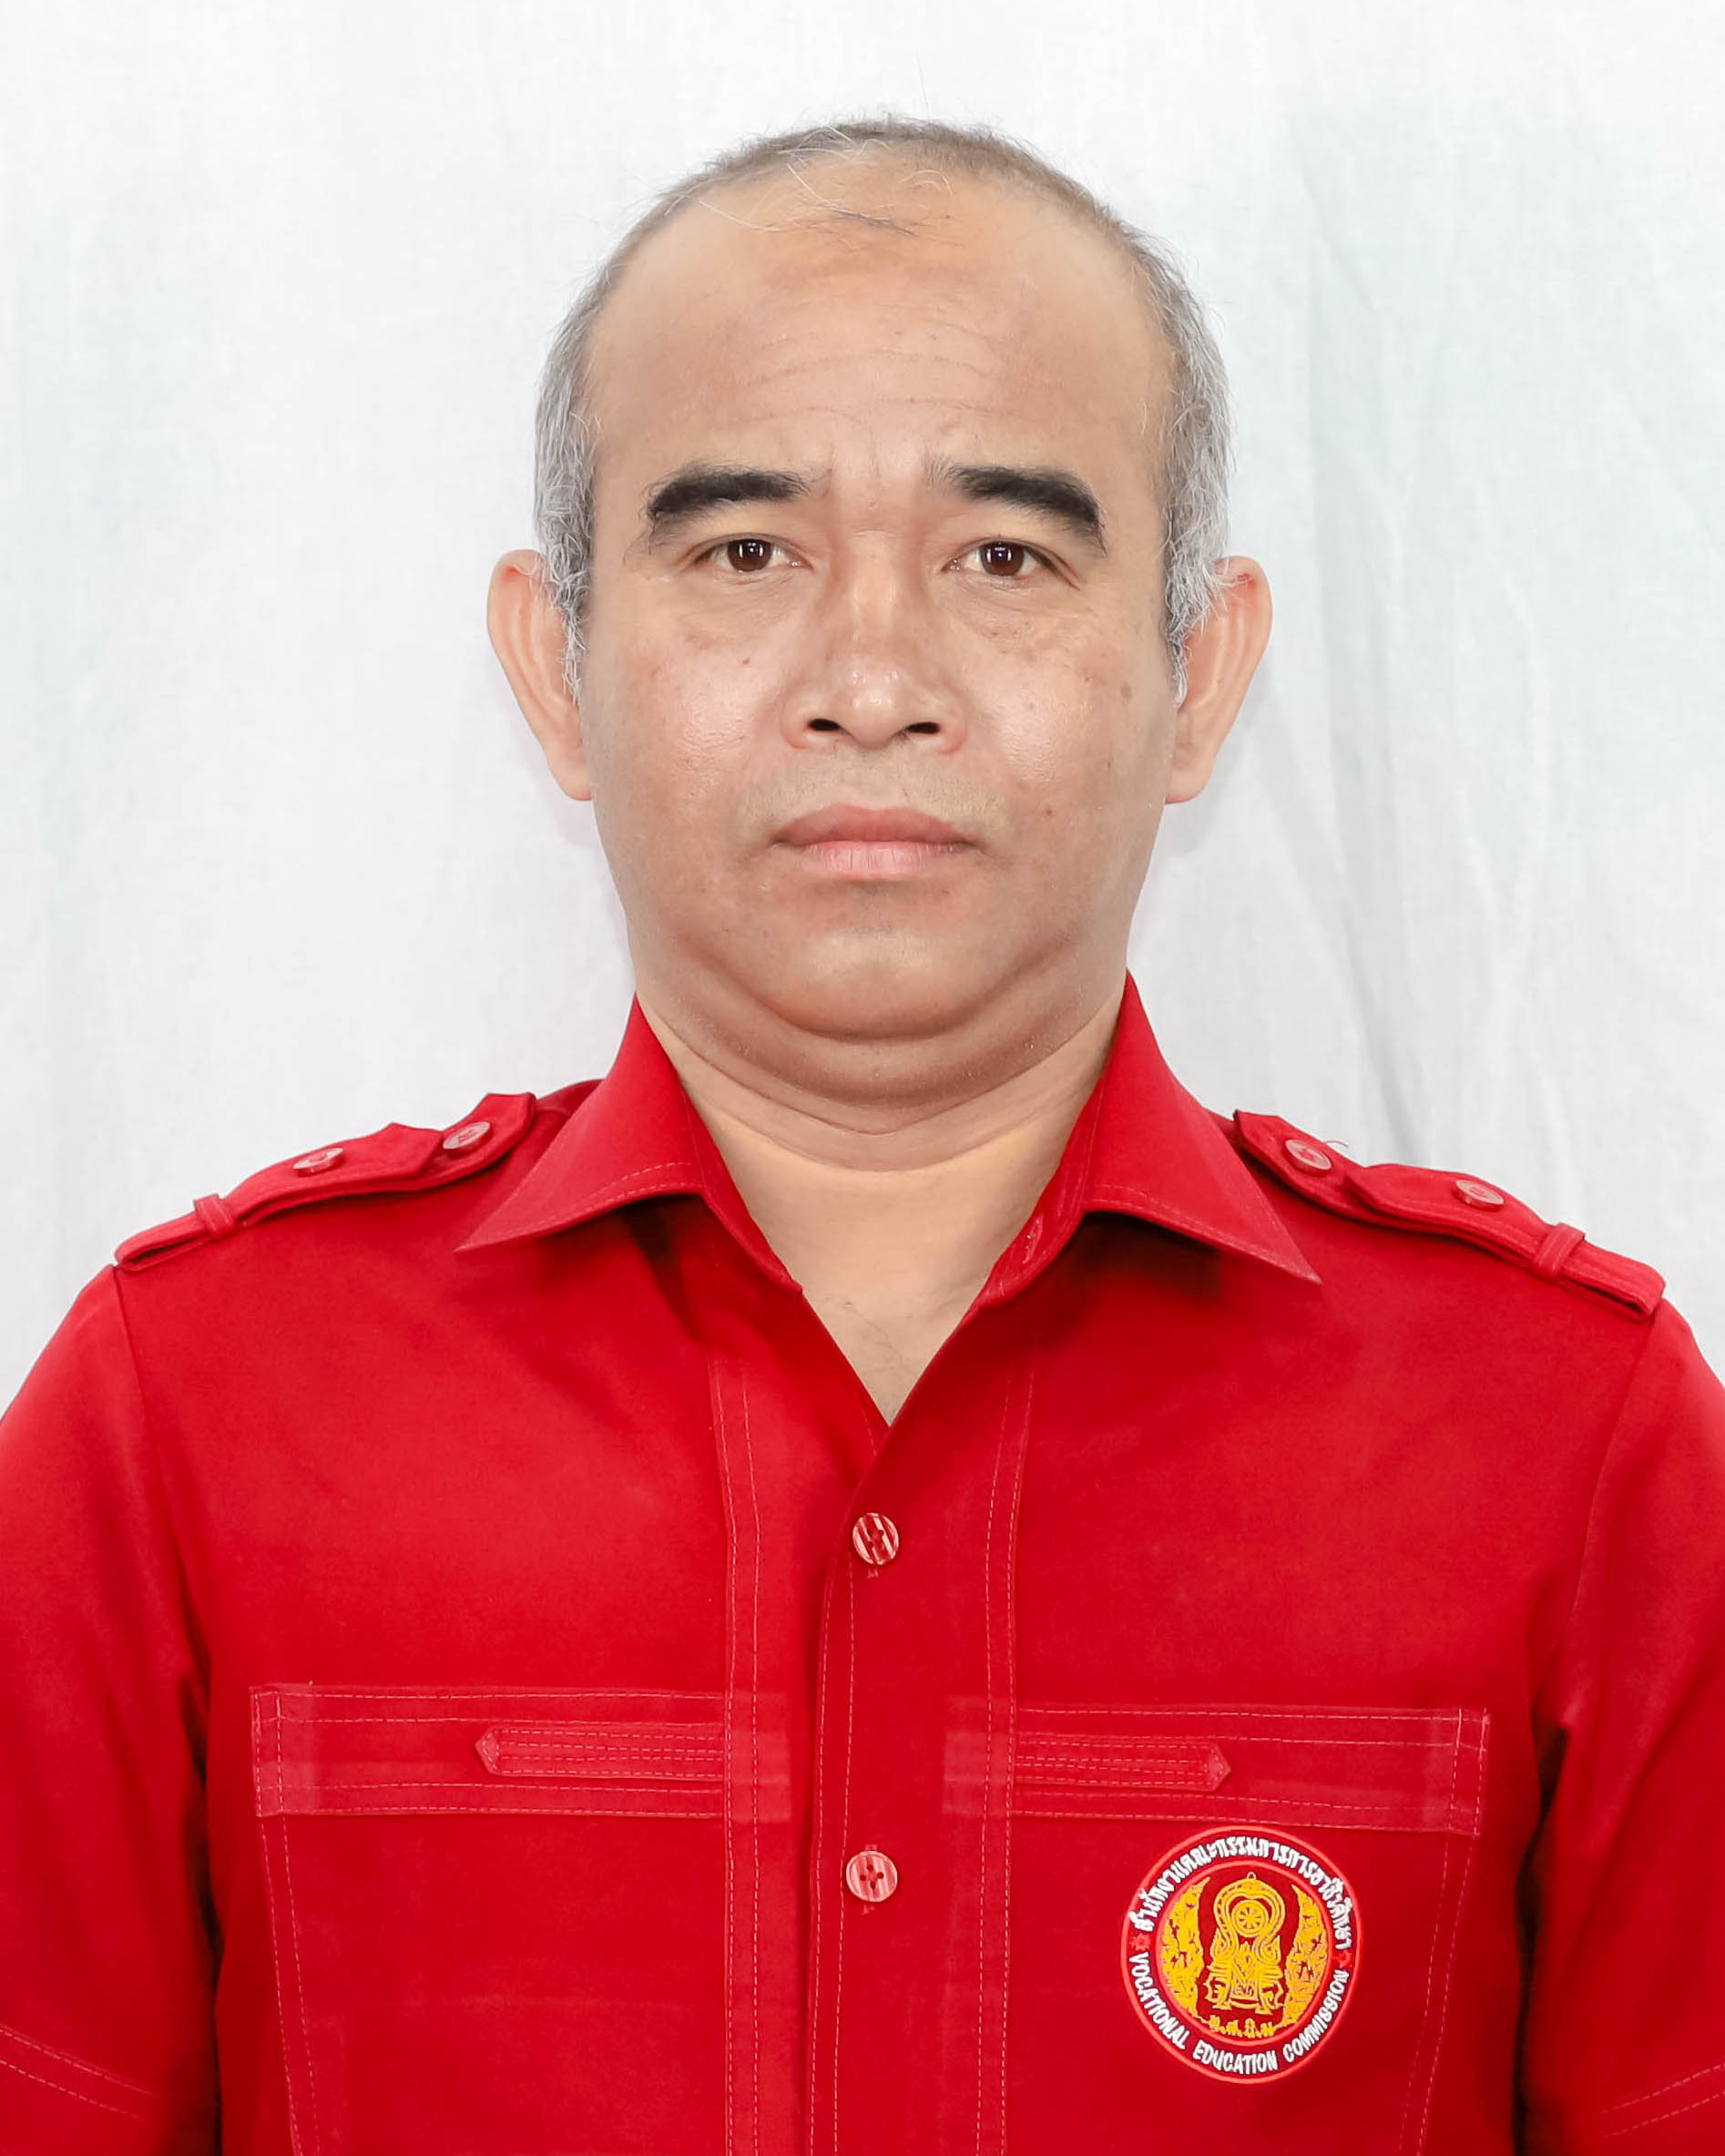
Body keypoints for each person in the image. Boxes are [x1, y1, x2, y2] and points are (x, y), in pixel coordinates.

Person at [1, 114, 1720, 2156]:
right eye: (745, 552)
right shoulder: (193, 1412)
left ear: (1197, 672)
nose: (874, 679)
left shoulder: (1564, 1437)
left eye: (1005, 557)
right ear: (557, 667)